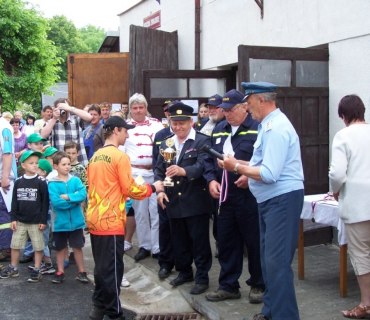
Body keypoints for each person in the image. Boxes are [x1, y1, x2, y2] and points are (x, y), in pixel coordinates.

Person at [222, 82, 304, 320]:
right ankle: (271, 311)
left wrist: (236, 166)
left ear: (261, 99)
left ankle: (284, 316)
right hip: (271, 201)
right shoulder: (268, 125)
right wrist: (238, 165)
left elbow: (269, 174)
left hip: (281, 201)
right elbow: (262, 166)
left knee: (277, 265)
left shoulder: (276, 128)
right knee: (269, 263)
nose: (247, 109)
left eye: (248, 103)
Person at [86, 116, 163, 320]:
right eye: (126, 130)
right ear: (117, 130)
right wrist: (153, 187)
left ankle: (99, 307)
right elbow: (130, 189)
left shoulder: (96, 155)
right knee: (112, 270)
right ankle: (114, 313)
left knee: (103, 268)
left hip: (95, 218)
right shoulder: (119, 156)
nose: (128, 134)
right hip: (110, 220)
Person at [205, 89, 265, 304]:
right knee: (226, 241)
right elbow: (207, 158)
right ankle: (228, 285)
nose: (228, 114)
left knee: (254, 242)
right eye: (225, 110)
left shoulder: (258, 128)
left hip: (249, 195)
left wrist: (250, 177)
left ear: (244, 107)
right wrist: (211, 179)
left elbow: (265, 163)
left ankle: (258, 284)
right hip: (224, 196)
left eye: (231, 110)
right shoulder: (219, 128)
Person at [155, 101, 213, 295]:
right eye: (174, 123)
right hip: (173, 199)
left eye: (182, 123)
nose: (178, 127)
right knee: (179, 240)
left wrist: (183, 170)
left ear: (191, 121)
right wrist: (160, 190)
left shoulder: (202, 141)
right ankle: (184, 271)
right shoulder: (167, 143)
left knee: (199, 241)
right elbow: (159, 169)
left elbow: (203, 166)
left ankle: (202, 276)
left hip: (195, 199)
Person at [328, 95, 370, 319]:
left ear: (343, 115)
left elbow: (337, 173)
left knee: (362, 254)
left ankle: (366, 303)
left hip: (357, 205)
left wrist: (335, 190)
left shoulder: (343, 135)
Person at [123, 93, 163, 262]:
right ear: (130, 110)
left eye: (141, 107)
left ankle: (158, 247)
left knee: (156, 211)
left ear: (146, 108)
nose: (138, 111)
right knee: (140, 212)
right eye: (134, 108)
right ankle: (145, 245)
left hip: (155, 173)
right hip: (136, 174)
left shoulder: (157, 125)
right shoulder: (124, 127)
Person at [0, 150, 49, 283]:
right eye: (31, 163)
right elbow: (14, 201)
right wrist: (13, 219)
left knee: (38, 246)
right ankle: (13, 267)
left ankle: (37, 268)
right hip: (20, 221)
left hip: (36, 221)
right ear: (23, 165)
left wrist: (43, 220)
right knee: (15, 245)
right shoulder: (19, 182)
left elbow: (45, 203)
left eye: (36, 163)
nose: (35, 165)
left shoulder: (41, 182)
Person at [48, 151, 88, 284]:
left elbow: (83, 194)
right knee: (60, 248)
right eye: (63, 164)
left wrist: (68, 197)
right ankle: (60, 271)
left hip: (76, 223)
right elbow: (56, 203)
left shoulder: (75, 180)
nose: (67, 167)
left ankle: (82, 272)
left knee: (77, 247)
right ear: (55, 166)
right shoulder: (52, 184)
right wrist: (74, 201)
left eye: (68, 164)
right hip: (60, 223)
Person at [152, 99, 175, 280]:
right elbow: (157, 164)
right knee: (165, 228)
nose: (169, 114)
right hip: (165, 189)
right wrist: (159, 188)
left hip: (184, 192)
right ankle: (165, 264)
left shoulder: (195, 136)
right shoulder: (160, 135)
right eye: (167, 111)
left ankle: (184, 266)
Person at [40, 98, 92, 166]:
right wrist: (54, 118)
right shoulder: (52, 122)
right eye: (60, 108)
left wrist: (70, 108)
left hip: (78, 161)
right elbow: (43, 135)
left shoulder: (76, 119)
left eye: (64, 108)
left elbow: (89, 117)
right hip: (59, 163)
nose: (63, 111)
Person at [0, 115, 17, 263]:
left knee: (4, 215)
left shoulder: (4, 127)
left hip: (3, 180)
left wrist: (5, 177)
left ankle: (6, 249)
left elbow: (7, 153)